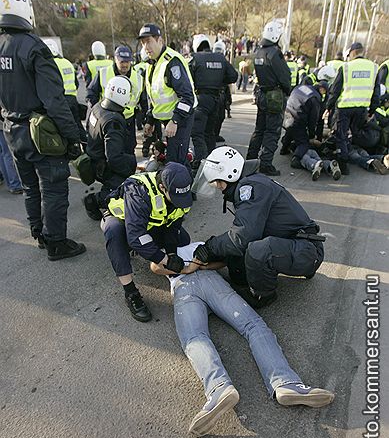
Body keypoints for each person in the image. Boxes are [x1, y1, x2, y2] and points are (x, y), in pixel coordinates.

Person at [150, 242, 335, 437]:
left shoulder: (164, 250)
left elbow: (155, 267)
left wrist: (183, 268)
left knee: (195, 338)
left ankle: (218, 388)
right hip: (213, 282)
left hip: (183, 287)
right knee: (253, 326)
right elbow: (221, 261)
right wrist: (201, 265)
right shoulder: (200, 245)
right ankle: (284, 383)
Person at [0, 0, 85, 260]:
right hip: (40, 133)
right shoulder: (33, 47)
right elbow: (55, 101)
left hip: (12, 131)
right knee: (54, 187)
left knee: (29, 186)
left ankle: (38, 232)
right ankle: (56, 243)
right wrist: (73, 137)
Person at [192, 146, 325, 307]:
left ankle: (263, 295)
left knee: (257, 250)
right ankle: (263, 274)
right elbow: (243, 234)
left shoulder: (251, 188)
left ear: (229, 175)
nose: (218, 187)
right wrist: (216, 253)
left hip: (308, 250)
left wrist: (210, 247)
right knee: (236, 265)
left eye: (218, 182)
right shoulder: (249, 181)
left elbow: (240, 238)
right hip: (293, 242)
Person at [102, 162, 193, 322]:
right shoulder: (139, 191)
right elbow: (136, 236)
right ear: (162, 187)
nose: (181, 201)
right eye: (177, 197)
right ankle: (130, 293)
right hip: (122, 221)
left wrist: (171, 253)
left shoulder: (180, 193)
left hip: (149, 223)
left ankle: (147, 249)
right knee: (114, 231)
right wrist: (164, 260)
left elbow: (173, 226)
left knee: (183, 239)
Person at [138, 23, 197, 165]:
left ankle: (183, 186)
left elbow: (187, 97)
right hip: (168, 119)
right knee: (169, 159)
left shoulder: (171, 62)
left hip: (180, 118)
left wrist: (175, 120)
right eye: (143, 43)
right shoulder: (152, 63)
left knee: (176, 161)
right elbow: (157, 97)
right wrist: (150, 120)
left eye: (149, 42)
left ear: (159, 40)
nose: (146, 47)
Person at [84, 76, 137, 220]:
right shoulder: (113, 121)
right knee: (128, 184)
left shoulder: (98, 106)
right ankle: (97, 200)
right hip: (101, 166)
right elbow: (114, 158)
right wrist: (132, 166)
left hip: (93, 158)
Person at [325, 42, 380, 175]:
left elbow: (335, 90)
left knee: (341, 135)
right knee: (353, 134)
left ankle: (343, 163)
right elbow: (376, 92)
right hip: (362, 108)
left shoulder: (346, 67)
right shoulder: (374, 67)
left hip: (345, 107)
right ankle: (359, 157)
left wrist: (328, 107)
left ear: (353, 52)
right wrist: (371, 111)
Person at [246, 21, 291, 176]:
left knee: (259, 130)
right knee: (272, 132)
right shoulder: (274, 53)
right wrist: (287, 90)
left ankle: (250, 159)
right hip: (274, 96)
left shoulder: (259, 52)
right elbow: (285, 77)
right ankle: (265, 163)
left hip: (263, 94)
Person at [86, 45, 144, 162]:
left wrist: (147, 121)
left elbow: (143, 101)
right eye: (122, 61)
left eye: (128, 62)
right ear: (115, 59)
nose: (125, 65)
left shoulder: (138, 78)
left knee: (129, 150)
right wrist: (99, 113)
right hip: (109, 122)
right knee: (111, 153)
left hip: (128, 121)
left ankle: (129, 174)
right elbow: (91, 94)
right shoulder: (103, 73)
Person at [189, 34, 237, 169]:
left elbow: (188, 79)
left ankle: (201, 162)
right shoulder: (220, 57)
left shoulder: (195, 58)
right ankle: (211, 161)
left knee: (197, 133)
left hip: (200, 100)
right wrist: (219, 80)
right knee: (210, 133)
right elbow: (233, 76)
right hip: (216, 100)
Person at [281, 81, 341, 180]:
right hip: (297, 120)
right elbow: (313, 121)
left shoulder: (302, 87)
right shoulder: (315, 98)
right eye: (324, 92)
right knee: (304, 144)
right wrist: (312, 137)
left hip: (286, 116)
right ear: (322, 89)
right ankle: (296, 159)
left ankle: (284, 149)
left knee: (291, 132)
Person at [44, 39, 87, 145]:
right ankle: (86, 147)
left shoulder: (48, 64)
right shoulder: (67, 62)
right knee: (77, 125)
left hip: (59, 101)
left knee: (62, 129)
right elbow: (76, 83)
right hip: (72, 99)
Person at [0, 116, 22, 193]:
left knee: (3, 154)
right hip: (3, 124)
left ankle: (11, 184)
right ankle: (15, 184)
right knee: (7, 154)